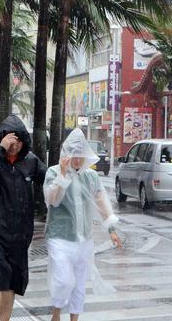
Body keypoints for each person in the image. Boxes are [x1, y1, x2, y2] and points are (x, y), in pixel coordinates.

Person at [0, 115, 47, 321]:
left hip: (18, 232)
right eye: (10, 140)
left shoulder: (31, 161)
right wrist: (0, 151)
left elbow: (50, 180)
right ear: (2, 139)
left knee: (12, 279)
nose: (14, 145)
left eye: (18, 140)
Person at [43, 129, 122, 321]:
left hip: (84, 239)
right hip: (60, 236)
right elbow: (52, 200)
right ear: (66, 155)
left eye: (81, 156)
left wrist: (111, 229)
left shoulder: (91, 177)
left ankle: (74, 318)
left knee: (79, 283)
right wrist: (62, 176)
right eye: (73, 156)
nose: (77, 160)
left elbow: (102, 203)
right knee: (63, 280)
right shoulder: (53, 172)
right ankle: (56, 313)